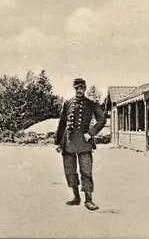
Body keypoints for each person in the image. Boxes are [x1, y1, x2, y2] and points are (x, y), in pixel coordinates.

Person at [54, 78, 106, 211]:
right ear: (74, 88)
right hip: (69, 142)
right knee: (70, 171)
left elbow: (102, 119)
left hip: (84, 142)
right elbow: (62, 124)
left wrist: (91, 133)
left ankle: (89, 201)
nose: (79, 90)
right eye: (77, 88)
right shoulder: (67, 103)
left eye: (82, 88)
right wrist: (57, 142)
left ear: (85, 88)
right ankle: (76, 197)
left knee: (86, 171)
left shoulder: (92, 104)